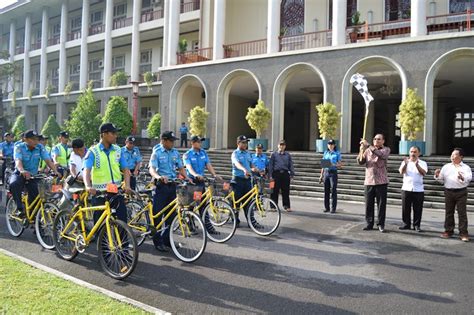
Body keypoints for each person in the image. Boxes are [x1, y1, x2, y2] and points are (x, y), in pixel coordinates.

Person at [149, 131, 190, 252]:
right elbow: (152, 168)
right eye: (171, 141)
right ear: (164, 141)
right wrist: (158, 177)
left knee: (171, 215)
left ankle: (167, 240)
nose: (173, 143)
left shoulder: (175, 152)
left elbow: (180, 167)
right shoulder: (156, 152)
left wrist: (186, 177)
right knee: (158, 213)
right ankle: (157, 241)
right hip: (161, 186)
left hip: (172, 185)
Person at [83, 123, 131, 223]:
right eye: (113, 133)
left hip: (116, 191)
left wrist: (127, 185)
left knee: (122, 221)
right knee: (100, 226)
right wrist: (88, 186)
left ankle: (123, 239)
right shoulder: (93, 151)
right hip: (100, 193)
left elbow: (125, 169)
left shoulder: (118, 150)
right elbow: (86, 171)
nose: (115, 136)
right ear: (104, 134)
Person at [9, 130, 60, 214]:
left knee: (37, 195)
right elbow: (18, 160)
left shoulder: (40, 147)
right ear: (25, 139)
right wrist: (22, 170)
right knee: (14, 184)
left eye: (37, 139)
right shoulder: (18, 147)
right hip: (20, 173)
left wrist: (55, 171)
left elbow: (48, 160)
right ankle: (19, 208)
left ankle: (34, 217)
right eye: (33, 139)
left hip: (33, 175)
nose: (36, 141)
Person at [434, 148, 472, 242]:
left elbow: (468, 179)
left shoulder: (466, 167)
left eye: (454, 154)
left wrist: (462, 177)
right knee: (449, 212)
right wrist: (437, 175)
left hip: (461, 192)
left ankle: (463, 233)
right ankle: (448, 231)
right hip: (449, 191)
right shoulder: (446, 167)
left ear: (461, 157)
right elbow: (441, 179)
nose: (452, 156)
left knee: (462, 213)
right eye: (451, 154)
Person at [357, 133, 390, 233]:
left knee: (381, 205)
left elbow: (381, 155)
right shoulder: (367, 150)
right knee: (368, 204)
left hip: (381, 182)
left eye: (379, 139)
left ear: (383, 141)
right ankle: (369, 223)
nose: (376, 140)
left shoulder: (386, 149)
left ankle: (381, 224)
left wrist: (368, 146)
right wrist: (361, 151)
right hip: (369, 181)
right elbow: (361, 162)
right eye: (375, 139)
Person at [398, 146, 428, 232]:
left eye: (415, 152)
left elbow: (424, 173)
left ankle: (416, 225)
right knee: (405, 208)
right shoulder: (405, 162)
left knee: (418, 209)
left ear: (419, 153)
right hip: (406, 188)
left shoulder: (423, 163)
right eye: (411, 152)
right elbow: (401, 172)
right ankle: (406, 224)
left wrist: (417, 165)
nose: (413, 154)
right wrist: (406, 164)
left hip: (418, 189)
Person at [231, 135, 257, 226]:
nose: (245, 144)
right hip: (237, 180)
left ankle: (251, 222)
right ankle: (235, 220)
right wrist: (244, 169)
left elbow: (251, 164)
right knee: (236, 202)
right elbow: (237, 164)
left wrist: (256, 169)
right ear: (238, 143)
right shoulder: (235, 153)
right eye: (243, 142)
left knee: (248, 202)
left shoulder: (248, 153)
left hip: (247, 181)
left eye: (246, 142)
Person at [269, 139, 295, 212]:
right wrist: (270, 176)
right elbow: (271, 166)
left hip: (285, 174)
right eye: (280, 145)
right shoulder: (274, 154)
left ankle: (286, 206)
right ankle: (273, 206)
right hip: (275, 174)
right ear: (278, 146)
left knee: (286, 191)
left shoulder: (288, 155)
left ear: (285, 146)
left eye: (283, 145)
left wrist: (292, 174)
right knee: (273, 190)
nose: (281, 146)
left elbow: (291, 165)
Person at [319, 139, 342, 213]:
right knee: (326, 191)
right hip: (326, 172)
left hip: (333, 172)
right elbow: (323, 164)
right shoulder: (326, 153)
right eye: (329, 144)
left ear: (334, 145)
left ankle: (333, 208)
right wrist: (321, 175)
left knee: (333, 190)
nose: (330, 146)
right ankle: (327, 207)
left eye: (332, 144)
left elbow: (340, 165)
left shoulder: (337, 153)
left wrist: (334, 164)